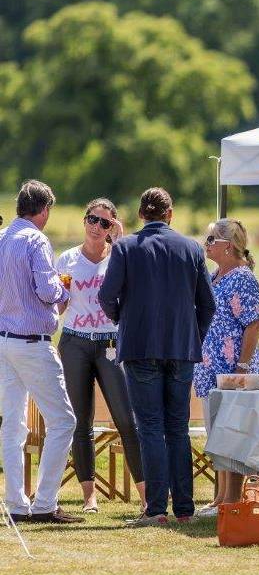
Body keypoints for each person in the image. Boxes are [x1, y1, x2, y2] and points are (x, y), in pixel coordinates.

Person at [99, 188, 216, 526]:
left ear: (141, 215)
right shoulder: (192, 248)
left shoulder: (124, 247)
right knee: (177, 427)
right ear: (170, 214)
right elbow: (207, 305)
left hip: (139, 346)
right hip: (181, 349)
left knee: (150, 426)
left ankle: (155, 510)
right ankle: (184, 509)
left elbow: (106, 296)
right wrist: (192, 334)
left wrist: (123, 318)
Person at [56, 198, 147, 513]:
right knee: (81, 421)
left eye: (105, 223)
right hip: (75, 344)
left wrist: (122, 243)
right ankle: (89, 498)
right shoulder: (66, 259)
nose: (97, 227)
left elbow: (138, 290)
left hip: (111, 344)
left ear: (113, 228)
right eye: (93, 219)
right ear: (85, 221)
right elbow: (59, 306)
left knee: (126, 419)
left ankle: (147, 499)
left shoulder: (121, 258)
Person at [0, 180, 82, 524]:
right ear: (44, 210)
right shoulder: (36, 239)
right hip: (32, 341)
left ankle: (16, 503)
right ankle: (45, 502)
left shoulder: (3, 236)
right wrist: (66, 289)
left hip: (4, 340)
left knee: (13, 425)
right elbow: (47, 290)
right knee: (64, 421)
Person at [192, 219, 259, 517]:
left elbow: (253, 324)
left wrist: (243, 366)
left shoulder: (243, 278)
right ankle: (220, 498)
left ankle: (231, 500)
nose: (206, 244)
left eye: (211, 239)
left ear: (228, 245)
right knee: (217, 435)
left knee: (231, 435)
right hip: (211, 370)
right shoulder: (215, 276)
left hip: (234, 370)